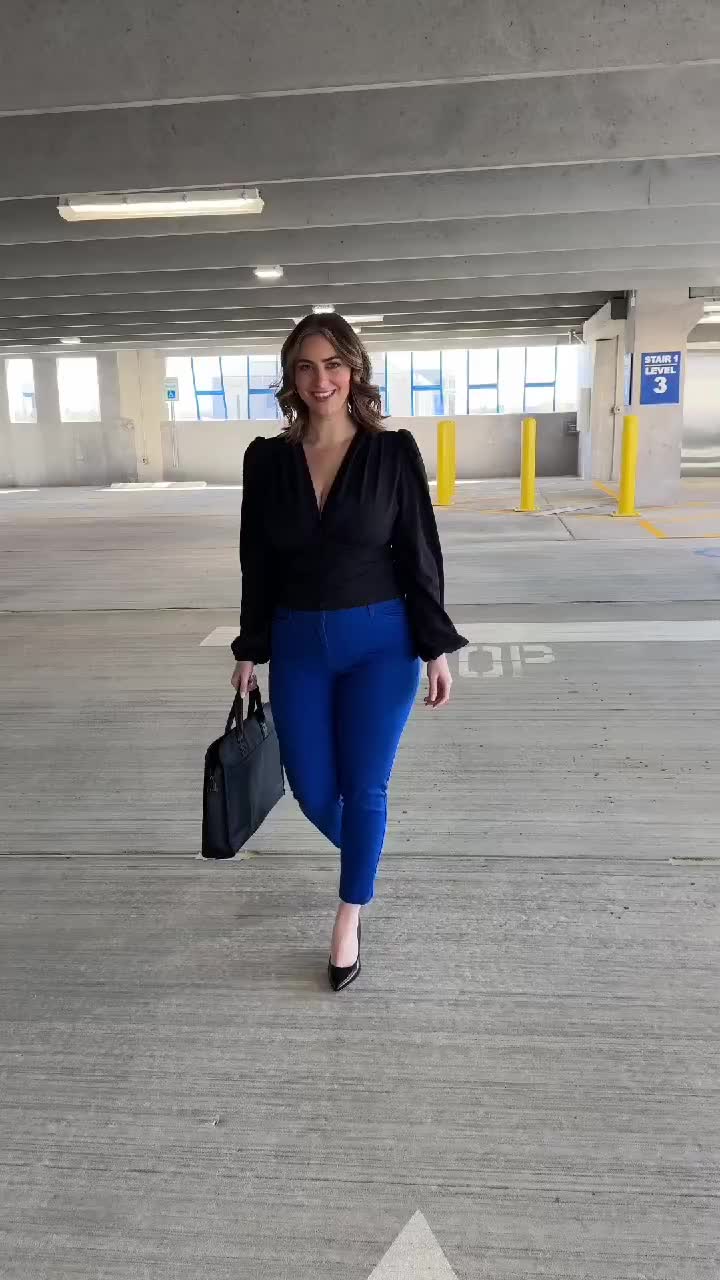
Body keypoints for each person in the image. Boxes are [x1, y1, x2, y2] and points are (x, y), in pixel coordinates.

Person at [230, 313, 467, 991]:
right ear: (291, 378)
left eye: (333, 364)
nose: (321, 380)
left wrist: (435, 646)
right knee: (310, 788)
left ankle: (347, 917)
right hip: (298, 643)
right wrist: (250, 646)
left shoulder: (391, 452)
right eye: (306, 367)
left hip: (380, 644)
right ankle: (367, 850)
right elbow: (256, 561)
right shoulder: (266, 459)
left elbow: (420, 552)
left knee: (366, 787)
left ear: (354, 370)